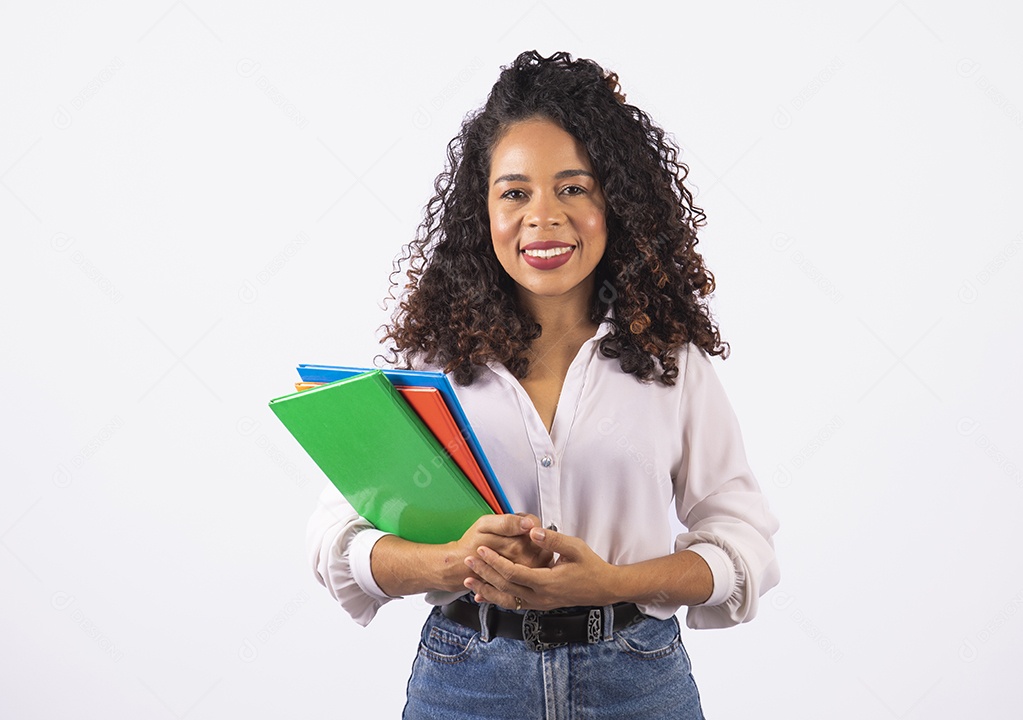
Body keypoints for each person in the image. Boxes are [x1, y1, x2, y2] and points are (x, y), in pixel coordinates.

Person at [307, 50, 780, 718]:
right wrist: (451, 564)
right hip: (466, 683)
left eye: (573, 187)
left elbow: (743, 543)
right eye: (515, 192)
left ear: (614, 201)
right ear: (483, 211)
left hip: (636, 683)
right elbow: (338, 541)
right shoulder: (427, 361)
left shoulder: (668, 360)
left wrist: (614, 582)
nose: (543, 216)